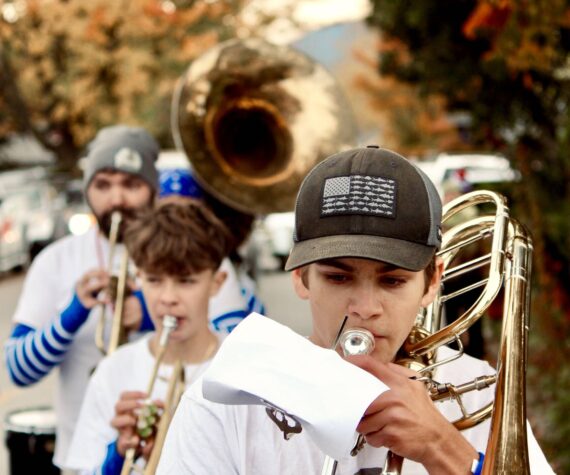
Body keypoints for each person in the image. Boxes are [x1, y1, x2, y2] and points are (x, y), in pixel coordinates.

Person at [156, 146, 554, 474]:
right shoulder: (225, 401)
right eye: (338, 278)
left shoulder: (479, 393)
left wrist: (443, 448)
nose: (365, 309)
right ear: (299, 277)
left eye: (392, 281)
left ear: (433, 282)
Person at [4, 124, 160, 467]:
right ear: (88, 191)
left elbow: (230, 339)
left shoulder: (180, 253)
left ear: (152, 189)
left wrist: (150, 313)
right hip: (82, 458)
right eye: (103, 185)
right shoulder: (56, 260)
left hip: (168, 458)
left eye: (131, 185)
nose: (116, 199)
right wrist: (72, 314)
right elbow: (17, 370)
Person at [64, 200, 231, 474]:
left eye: (186, 281)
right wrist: (118, 452)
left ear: (217, 283)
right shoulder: (113, 372)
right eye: (154, 280)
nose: (167, 298)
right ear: (139, 278)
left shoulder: (239, 371)